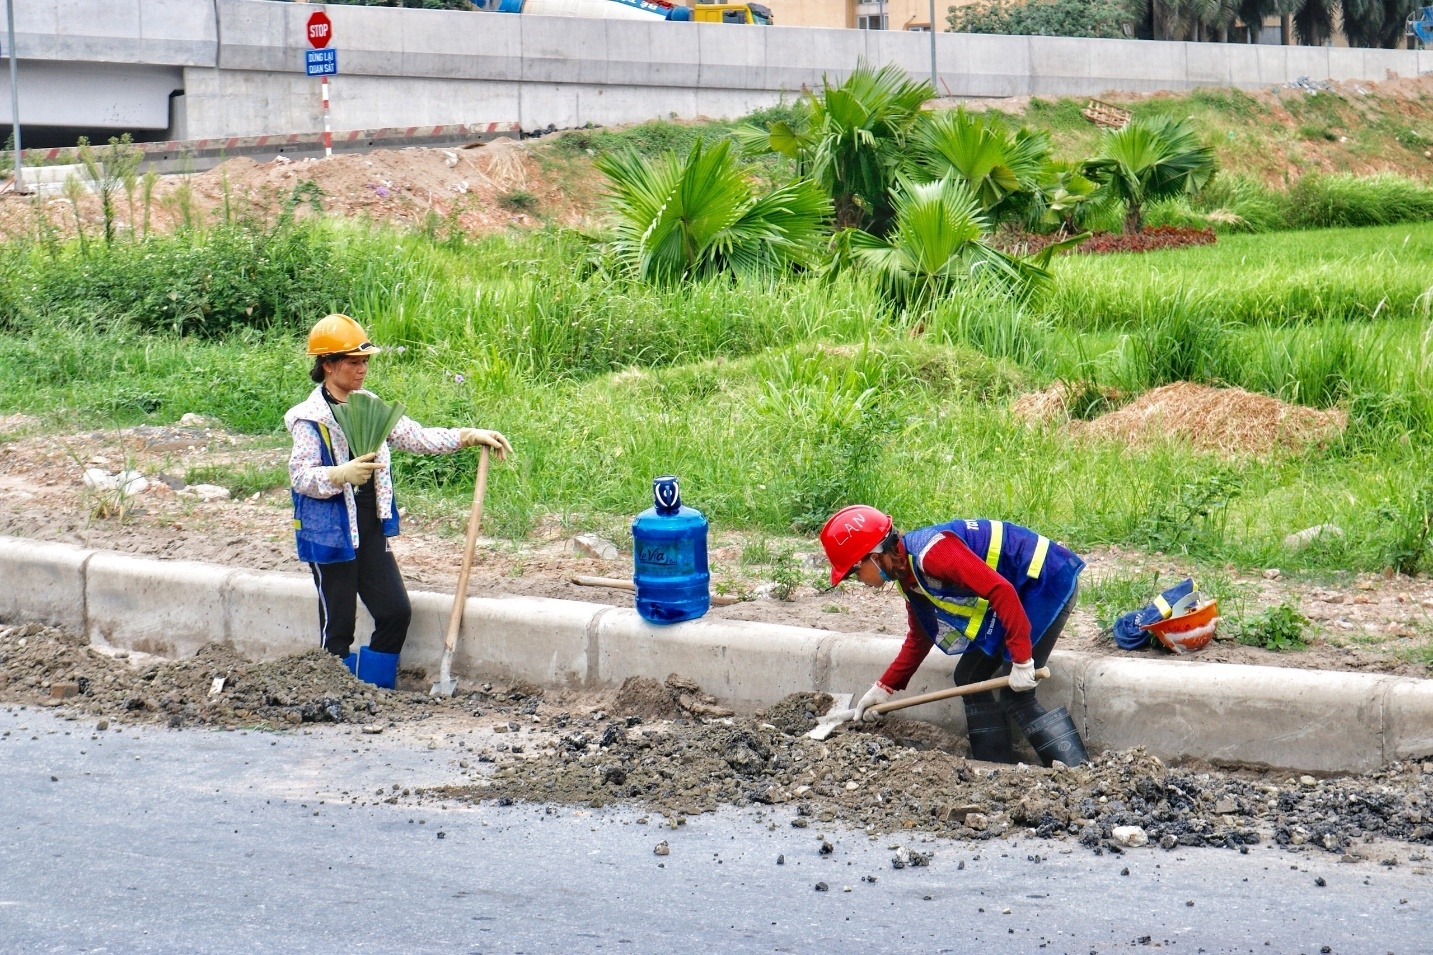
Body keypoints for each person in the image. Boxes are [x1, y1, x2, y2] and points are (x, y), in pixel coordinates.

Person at [285, 314, 512, 689]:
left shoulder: (369, 406)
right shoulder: (311, 420)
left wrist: (468, 435)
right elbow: (300, 477)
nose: (362, 370)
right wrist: (339, 475)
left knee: (395, 611)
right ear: (327, 365)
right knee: (338, 625)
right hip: (332, 533)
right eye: (353, 363)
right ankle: (333, 694)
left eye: (365, 362)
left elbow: (417, 438)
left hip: (370, 527)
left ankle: (375, 690)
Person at [819, 505, 1088, 767]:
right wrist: (884, 688)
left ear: (875, 556)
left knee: (1016, 693)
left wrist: (1022, 662)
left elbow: (1001, 592)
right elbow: (919, 637)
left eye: (854, 571)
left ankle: (1077, 771)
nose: (857, 580)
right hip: (1016, 592)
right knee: (968, 677)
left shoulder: (932, 554)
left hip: (1044, 580)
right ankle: (994, 769)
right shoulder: (908, 577)